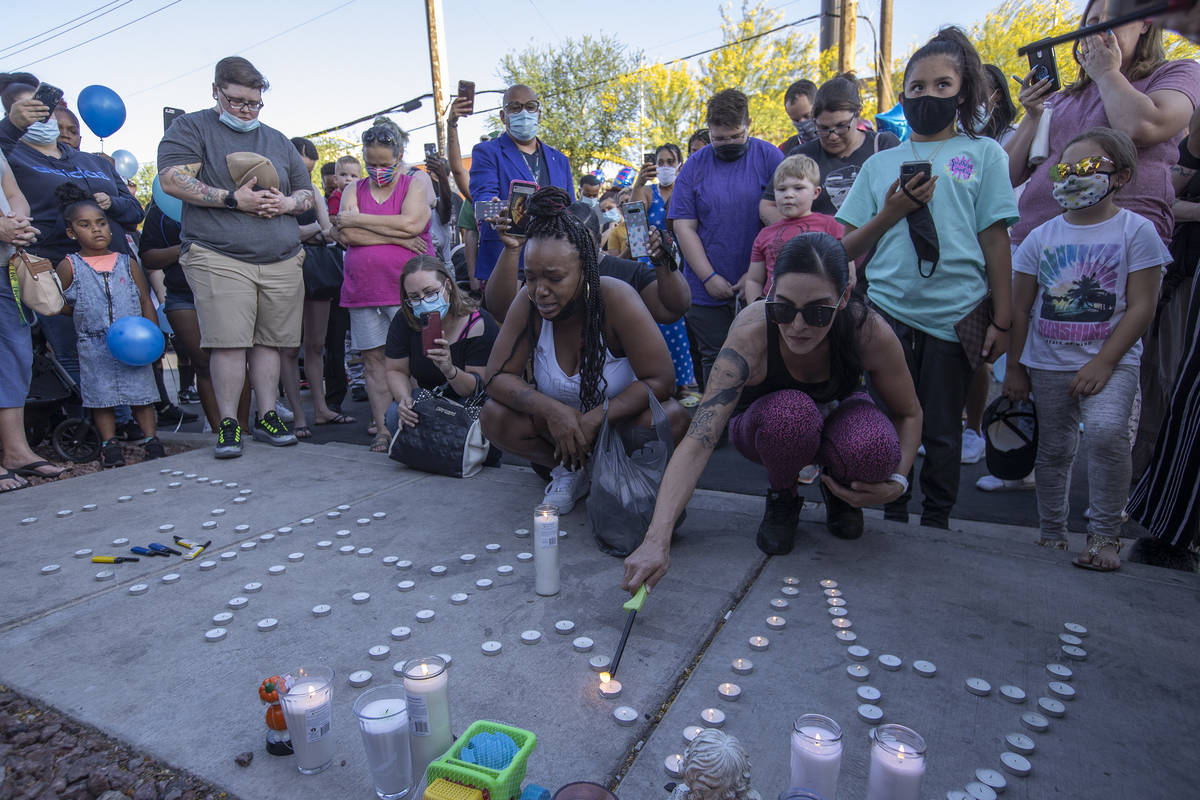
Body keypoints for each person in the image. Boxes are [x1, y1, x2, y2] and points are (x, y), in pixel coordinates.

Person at [622, 233, 922, 592]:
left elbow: (908, 413)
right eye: (783, 308)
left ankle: (838, 489)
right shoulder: (752, 333)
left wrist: (898, 482)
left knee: (874, 449)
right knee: (791, 415)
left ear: (843, 299)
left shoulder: (866, 330)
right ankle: (784, 495)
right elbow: (700, 439)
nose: (797, 326)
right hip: (772, 425)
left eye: (817, 312)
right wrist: (657, 538)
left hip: (838, 415)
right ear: (770, 292)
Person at [837, 27, 1018, 529]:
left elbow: (995, 239)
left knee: (943, 430)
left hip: (956, 317)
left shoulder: (985, 155)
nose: (928, 95)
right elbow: (845, 248)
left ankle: (937, 522)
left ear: (964, 92)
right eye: (916, 86)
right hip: (887, 316)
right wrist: (892, 211)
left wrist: (1003, 320)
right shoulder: (878, 165)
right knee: (885, 424)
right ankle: (889, 510)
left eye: (943, 85)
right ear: (903, 94)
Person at [1007, 0, 1200, 468]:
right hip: (1045, 250)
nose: (1095, 33)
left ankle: (1130, 489)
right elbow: (1009, 175)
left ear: (1146, 23)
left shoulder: (1176, 73)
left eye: (1109, 23)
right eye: (1088, 24)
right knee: (1047, 379)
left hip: (1121, 254)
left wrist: (1109, 72)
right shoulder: (1063, 97)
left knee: (1121, 384)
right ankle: (1041, 478)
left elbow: (1144, 125)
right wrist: (1032, 114)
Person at [1004, 128, 1167, 570]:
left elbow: (1142, 307)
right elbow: (1021, 308)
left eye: (1091, 167)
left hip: (1111, 363)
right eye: (1066, 168)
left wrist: (1104, 361)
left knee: (1107, 434)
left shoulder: (1138, 232)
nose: (1076, 177)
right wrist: (1015, 368)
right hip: (1047, 362)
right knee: (1054, 449)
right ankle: (1051, 535)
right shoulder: (1040, 235)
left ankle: (1104, 537)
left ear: (1122, 176)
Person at [481, 187, 690, 514]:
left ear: (585, 269)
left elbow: (662, 379)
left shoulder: (617, 297)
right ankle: (571, 469)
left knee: (671, 417)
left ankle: (618, 468)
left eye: (554, 278)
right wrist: (555, 412)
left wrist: (596, 417)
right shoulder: (529, 301)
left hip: (618, 427)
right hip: (554, 436)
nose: (540, 291)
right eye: (532, 277)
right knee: (493, 415)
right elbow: (496, 376)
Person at [157, 56, 317, 458]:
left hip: (281, 256)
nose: (247, 111)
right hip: (219, 254)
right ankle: (230, 424)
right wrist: (233, 199)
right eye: (237, 101)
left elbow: (306, 194)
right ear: (216, 91)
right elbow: (172, 179)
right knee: (229, 342)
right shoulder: (191, 127)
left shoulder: (278, 140)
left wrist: (284, 204)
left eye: (254, 103)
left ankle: (267, 415)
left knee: (271, 342)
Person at [1, 81, 144, 399]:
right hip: (59, 273)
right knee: (75, 354)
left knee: (129, 349)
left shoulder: (93, 161)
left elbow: (135, 211)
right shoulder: (13, 157)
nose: (48, 120)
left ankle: (135, 423)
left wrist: (111, 202)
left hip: (116, 273)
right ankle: (92, 431)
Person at [669, 89, 784, 388]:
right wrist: (708, 277)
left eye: (735, 136)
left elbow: (785, 222)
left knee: (760, 360)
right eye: (719, 139)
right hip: (705, 290)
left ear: (748, 124)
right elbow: (684, 227)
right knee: (716, 360)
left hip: (761, 283)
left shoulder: (770, 157)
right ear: (709, 129)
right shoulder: (694, 166)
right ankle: (714, 433)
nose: (727, 144)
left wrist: (753, 275)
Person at [332, 116, 432, 452]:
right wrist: (400, 238)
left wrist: (358, 219)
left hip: (405, 290)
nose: (377, 170)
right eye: (371, 163)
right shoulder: (351, 188)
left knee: (415, 361)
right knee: (374, 362)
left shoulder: (415, 182)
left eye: (384, 163)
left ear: (400, 154)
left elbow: (413, 223)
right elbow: (344, 234)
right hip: (363, 291)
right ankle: (383, 431)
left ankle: (420, 426)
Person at [53, 184, 164, 468]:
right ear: (71, 232)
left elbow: (144, 300)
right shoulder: (70, 266)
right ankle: (108, 443)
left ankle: (151, 440)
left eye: (101, 223)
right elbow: (58, 303)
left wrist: (154, 334)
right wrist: (85, 315)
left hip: (135, 342)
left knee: (142, 393)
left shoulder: (127, 263)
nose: (97, 230)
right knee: (101, 397)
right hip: (94, 343)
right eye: (85, 225)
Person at [0, 149, 67, 490]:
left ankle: (15, 451)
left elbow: (13, 191)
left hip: (5, 263)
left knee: (16, 357)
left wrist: (17, 221)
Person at [280, 135, 353, 438]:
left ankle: (321, 409)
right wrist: (313, 232)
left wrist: (306, 232)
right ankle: (298, 416)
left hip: (319, 273)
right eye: (302, 167)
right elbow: (284, 235)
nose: (305, 174)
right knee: (287, 347)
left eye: (309, 169)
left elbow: (330, 231)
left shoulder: (312, 191)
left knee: (316, 345)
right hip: (286, 272)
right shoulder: (275, 192)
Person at [469, 84, 575, 285]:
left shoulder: (560, 160)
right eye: (515, 107)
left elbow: (572, 210)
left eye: (530, 106)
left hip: (556, 264)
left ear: (539, 114)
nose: (524, 113)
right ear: (503, 116)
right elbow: (483, 203)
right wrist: (496, 211)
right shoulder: (487, 152)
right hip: (507, 263)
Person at [384, 254, 499, 433]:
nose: (423, 301)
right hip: (432, 399)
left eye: (430, 292)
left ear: (448, 286)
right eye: (414, 297)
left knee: (475, 423)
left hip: (470, 404)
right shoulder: (406, 320)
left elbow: (477, 389)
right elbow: (395, 369)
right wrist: (404, 399)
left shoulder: (480, 324)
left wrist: (449, 370)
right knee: (394, 414)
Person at [762, 75, 900, 223]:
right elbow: (767, 205)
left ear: (858, 113)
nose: (833, 136)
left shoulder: (884, 145)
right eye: (823, 128)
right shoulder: (802, 155)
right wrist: (798, 232)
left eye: (841, 126)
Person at [632, 143, 698, 402]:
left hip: (679, 268)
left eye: (671, 161)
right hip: (649, 268)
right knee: (650, 327)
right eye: (661, 161)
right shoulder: (648, 193)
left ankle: (683, 385)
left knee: (676, 327)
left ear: (680, 164)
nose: (666, 166)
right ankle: (654, 384)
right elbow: (635, 227)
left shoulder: (685, 191)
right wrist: (638, 184)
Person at [744, 155, 845, 301]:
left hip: (820, 309)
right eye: (781, 189)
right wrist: (757, 310)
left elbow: (848, 274)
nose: (789, 195)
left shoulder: (832, 226)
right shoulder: (764, 235)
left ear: (816, 192)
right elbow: (753, 280)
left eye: (798, 188)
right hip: (777, 310)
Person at [778, 79, 818, 152]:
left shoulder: (836, 143)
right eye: (796, 120)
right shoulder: (784, 150)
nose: (802, 123)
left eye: (807, 116)